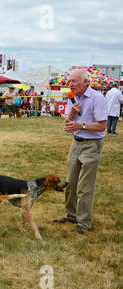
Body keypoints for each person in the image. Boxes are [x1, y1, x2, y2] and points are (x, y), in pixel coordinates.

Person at [52, 69, 107, 234]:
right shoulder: (72, 97)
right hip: (76, 144)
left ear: (84, 82)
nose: (70, 84)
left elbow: (102, 126)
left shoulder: (98, 98)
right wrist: (72, 113)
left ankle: (83, 223)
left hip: (92, 145)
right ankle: (70, 216)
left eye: (74, 81)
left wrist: (80, 125)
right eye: (69, 82)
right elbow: (68, 124)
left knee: (85, 187)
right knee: (70, 183)